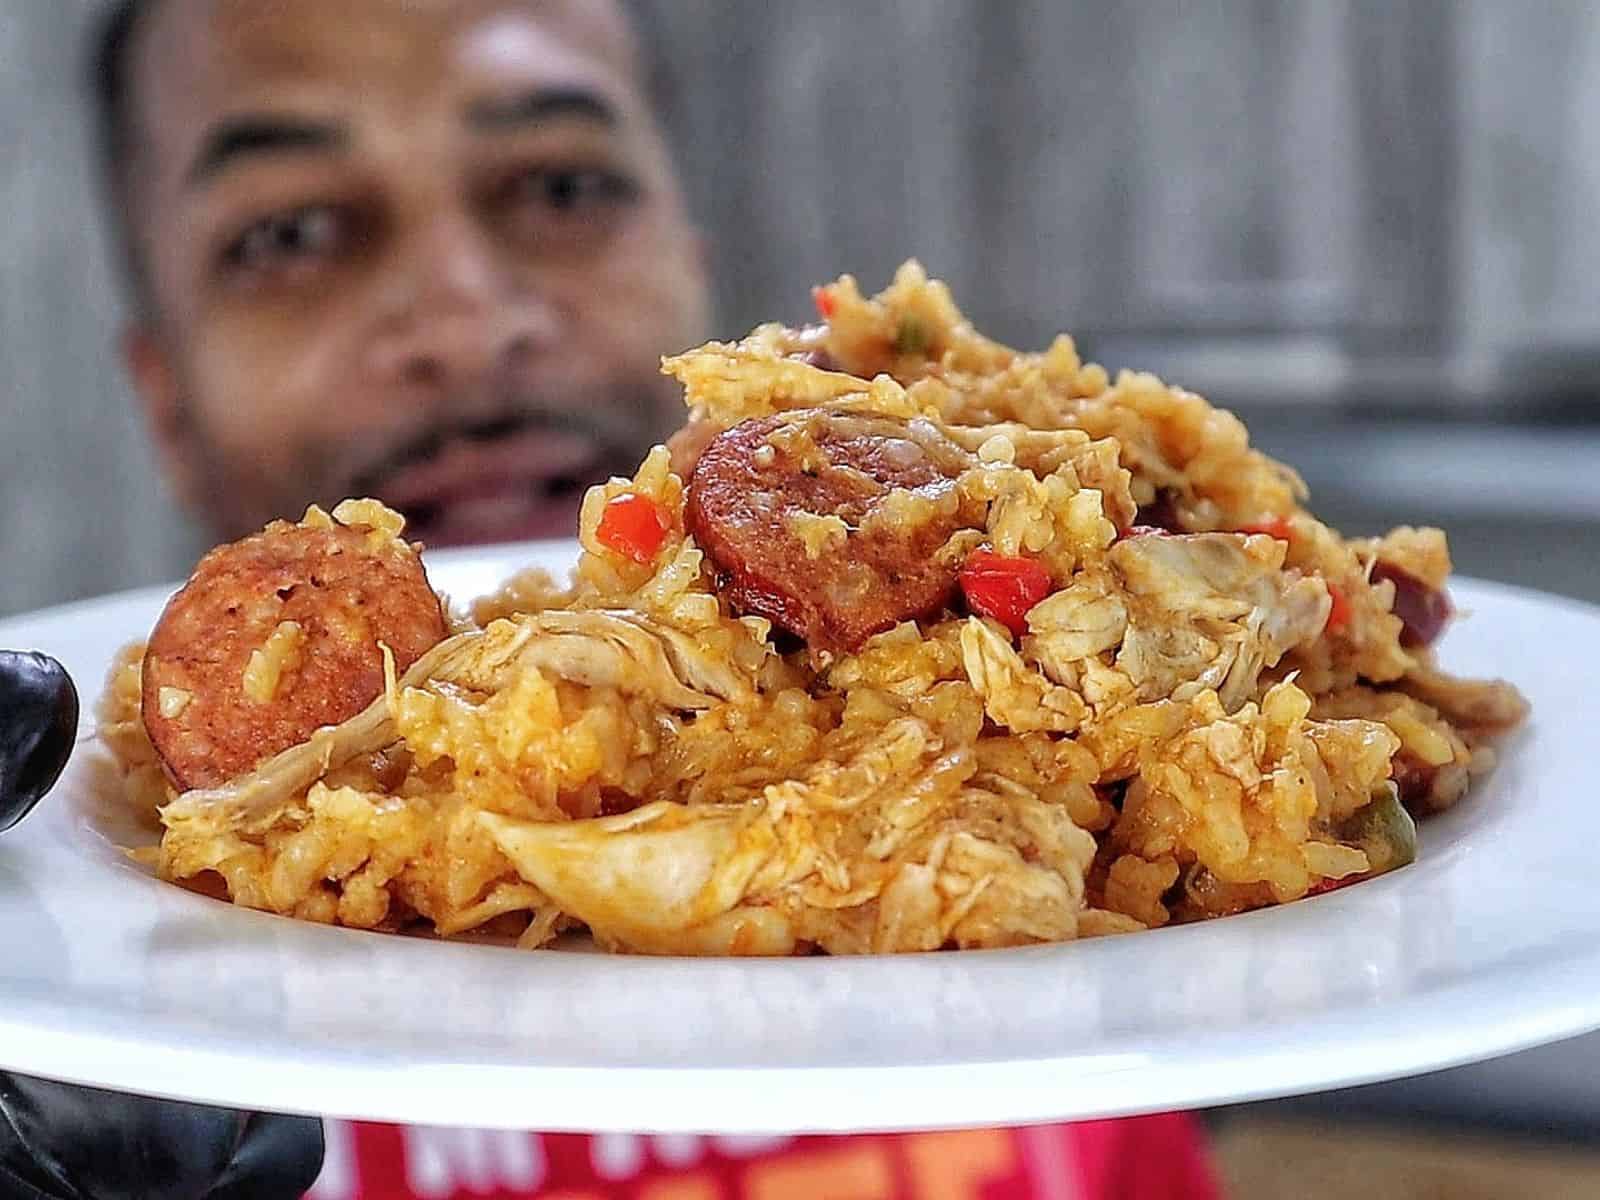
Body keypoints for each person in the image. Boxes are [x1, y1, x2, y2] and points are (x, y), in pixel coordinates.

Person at [34, 1, 1225, 1196]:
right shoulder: (110, 984)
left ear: (690, 269)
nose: (467, 319)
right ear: (167, 404)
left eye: (559, 190)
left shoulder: (1064, 826)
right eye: (291, 232)